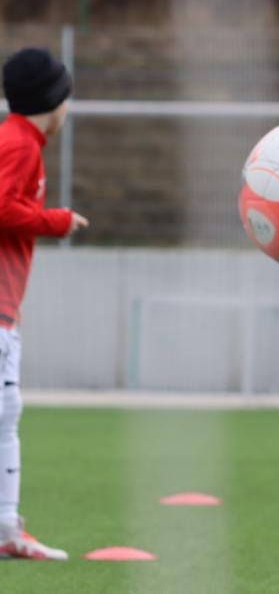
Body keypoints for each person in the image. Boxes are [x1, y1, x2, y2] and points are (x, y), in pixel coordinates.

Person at [0, 47, 89, 560]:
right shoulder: (19, 144)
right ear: (54, 100)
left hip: (6, 309)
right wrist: (56, 220)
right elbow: (3, 205)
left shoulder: (18, 141)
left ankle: (6, 526)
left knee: (7, 410)